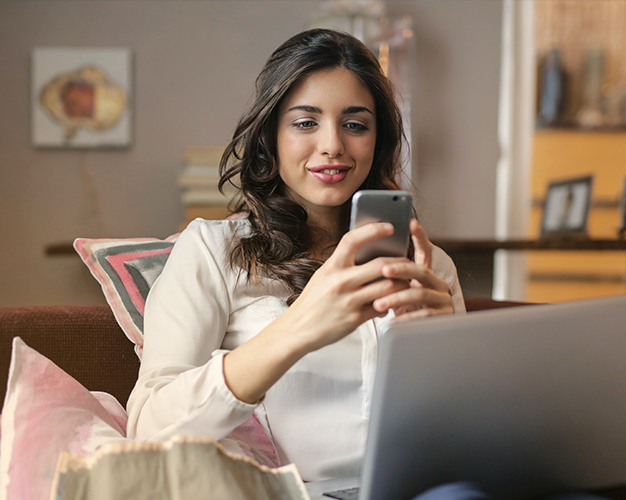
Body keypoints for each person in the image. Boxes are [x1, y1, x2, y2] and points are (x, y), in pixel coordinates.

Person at [126, 28, 464, 482]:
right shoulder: (212, 251)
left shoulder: (429, 264)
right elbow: (148, 432)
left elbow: (468, 427)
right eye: (306, 122)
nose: (332, 145)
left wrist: (451, 355)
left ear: (377, 140)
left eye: (355, 124)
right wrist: (300, 325)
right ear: (271, 138)